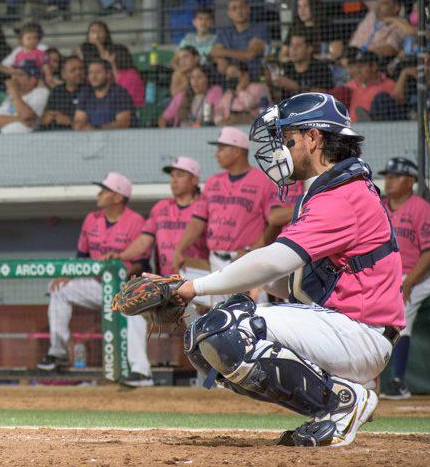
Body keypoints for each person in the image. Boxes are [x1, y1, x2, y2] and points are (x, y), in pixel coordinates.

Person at [169, 93, 402, 447]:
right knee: (204, 338)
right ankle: (335, 402)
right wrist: (194, 293)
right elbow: (292, 283)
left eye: (288, 139)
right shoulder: (329, 190)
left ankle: (342, 402)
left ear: (314, 138)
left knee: (227, 329)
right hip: (340, 326)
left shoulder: (343, 195)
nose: (280, 151)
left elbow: (274, 259)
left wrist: (193, 288)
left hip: (359, 333)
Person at [40, 172, 151, 385]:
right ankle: (58, 351)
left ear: (118, 197)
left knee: (134, 313)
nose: (99, 193)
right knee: (57, 288)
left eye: (105, 190)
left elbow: (143, 263)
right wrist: (67, 274)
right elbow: (81, 256)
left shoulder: (136, 221)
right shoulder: (92, 219)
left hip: (125, 286)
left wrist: (121, 280)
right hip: (96, 285)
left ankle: (141, 372)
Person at [171, 126, 278, 296]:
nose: (216, 154)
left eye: (221, 149)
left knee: (251, 316)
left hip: (246, 261)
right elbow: (198, 220)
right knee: (217, 315)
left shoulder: (263, 181)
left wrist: (251, 252)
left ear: (236, 151)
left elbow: (274, 224)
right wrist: (179, 248)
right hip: (215, 262)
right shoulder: (213, 182)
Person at [378, 157, 430, 400]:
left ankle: (398, 382)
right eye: (388, 176)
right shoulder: (379, 206)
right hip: (387, 276)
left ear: (411, 181)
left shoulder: (422, 209)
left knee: (401, 316)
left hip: (419, 277)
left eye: (395, 176)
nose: (389, 180)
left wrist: (408, 283)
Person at [120, 156, 210, 285]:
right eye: (172, 176)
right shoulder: (161, 207)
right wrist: (121, 256)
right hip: (167, 280)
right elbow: (144, 241)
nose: (174, 180)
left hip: (198, 278)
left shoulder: (205, 205)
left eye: (179, 175)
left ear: (195, 179)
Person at [348, 0, 413, 58]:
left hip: (369, 60)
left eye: (383, 3)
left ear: (396, 8)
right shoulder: (370, 16)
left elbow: (390, 49)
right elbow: (354, 37)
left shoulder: (400, 25)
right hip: (350, 55)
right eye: (377, 2)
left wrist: (363, 53)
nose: (377, 7)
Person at [210, 0, 268, 73]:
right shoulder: (224, 32)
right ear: (229, 13)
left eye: (242, 7)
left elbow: (250, 55)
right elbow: (214, 52)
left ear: (248, 9)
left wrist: (224, 52)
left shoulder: (260, 29)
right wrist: (220, 59)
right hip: (229, 73)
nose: (239, 11)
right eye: (234, 8)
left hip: (254, 73)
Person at [268, 30, 333, 99]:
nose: (293, 49)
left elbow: (325, 97)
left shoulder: (321, 68)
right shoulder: (286, 68)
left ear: (309, 49)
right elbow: (278, 99)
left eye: (298, 45)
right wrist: (272, 86)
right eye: (291, 45)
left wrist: (297, 88)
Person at [73, 58, 134, 130]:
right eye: (90, 73)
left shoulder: (120, 93)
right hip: (90, 139)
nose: (93, 77)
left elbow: (123, 124)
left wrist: (97, 129)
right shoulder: (86, 93)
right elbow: (78, 122)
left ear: (108, 74)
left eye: (98, 72)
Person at [0, 60, 49, 135]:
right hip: (6, 140)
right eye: (14, 74)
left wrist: (14, 93)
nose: (14, 78)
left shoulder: (41, 92)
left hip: (29, 140)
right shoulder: (13, 95)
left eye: (20, 75)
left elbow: (27, 116)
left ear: (32, 80)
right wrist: (19, 119)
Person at [40, 55, 85, 130]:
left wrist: (69, 121)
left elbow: (93, 123)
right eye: (73, 70)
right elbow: (46, 115)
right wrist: (47, 118)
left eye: (81, 69)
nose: (78, 73)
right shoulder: (56, 91)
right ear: (63, 74)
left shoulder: (89, 91)